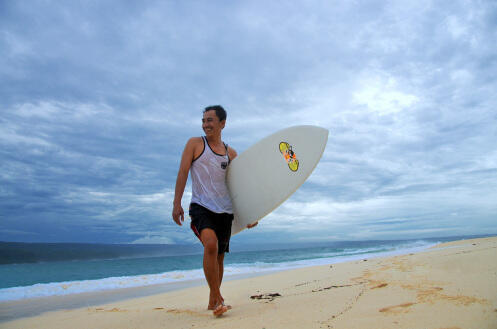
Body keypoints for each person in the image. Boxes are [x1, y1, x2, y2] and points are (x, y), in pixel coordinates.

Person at [172, 105, 257, 317]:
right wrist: (176, 203)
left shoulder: (231, 153)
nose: (205, 124)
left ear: (222, 123)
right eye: (203, 120)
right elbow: (183, 172)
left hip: (225, 211)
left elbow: (238, 188)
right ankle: (219, 298)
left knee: (219, 257)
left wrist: (248, 214)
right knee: (210, 244)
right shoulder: (194, 144)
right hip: (201, 206)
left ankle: (213, 300)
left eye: (210, 120)